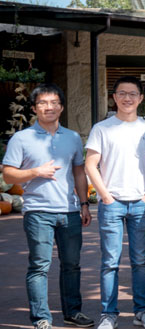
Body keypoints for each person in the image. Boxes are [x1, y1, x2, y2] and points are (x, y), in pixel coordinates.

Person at [3, 83, 94, 329]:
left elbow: (78, 171)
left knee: (72, 265)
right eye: (42, 103)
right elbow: (9, 175)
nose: (49, 107)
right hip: (38, 212)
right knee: (40, 265)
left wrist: (84, 203)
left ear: (61, 107)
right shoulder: (21, 138)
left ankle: (72, 313)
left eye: (54, 102)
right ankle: (41, 318)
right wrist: (35, 172)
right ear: (34, 108)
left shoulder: (73, 137)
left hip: (70, 211)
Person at [86, 76, 145, 329]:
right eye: (122, 93)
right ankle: (109, 313)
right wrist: (105, 196)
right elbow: (90, 165)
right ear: (114, 97)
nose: (127, 98)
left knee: (140, 260)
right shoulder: (102, 128)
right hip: (112, 203)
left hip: (141, 202)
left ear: (141, 99)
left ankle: (142, 311)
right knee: (110, 261)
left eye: (133, 94)